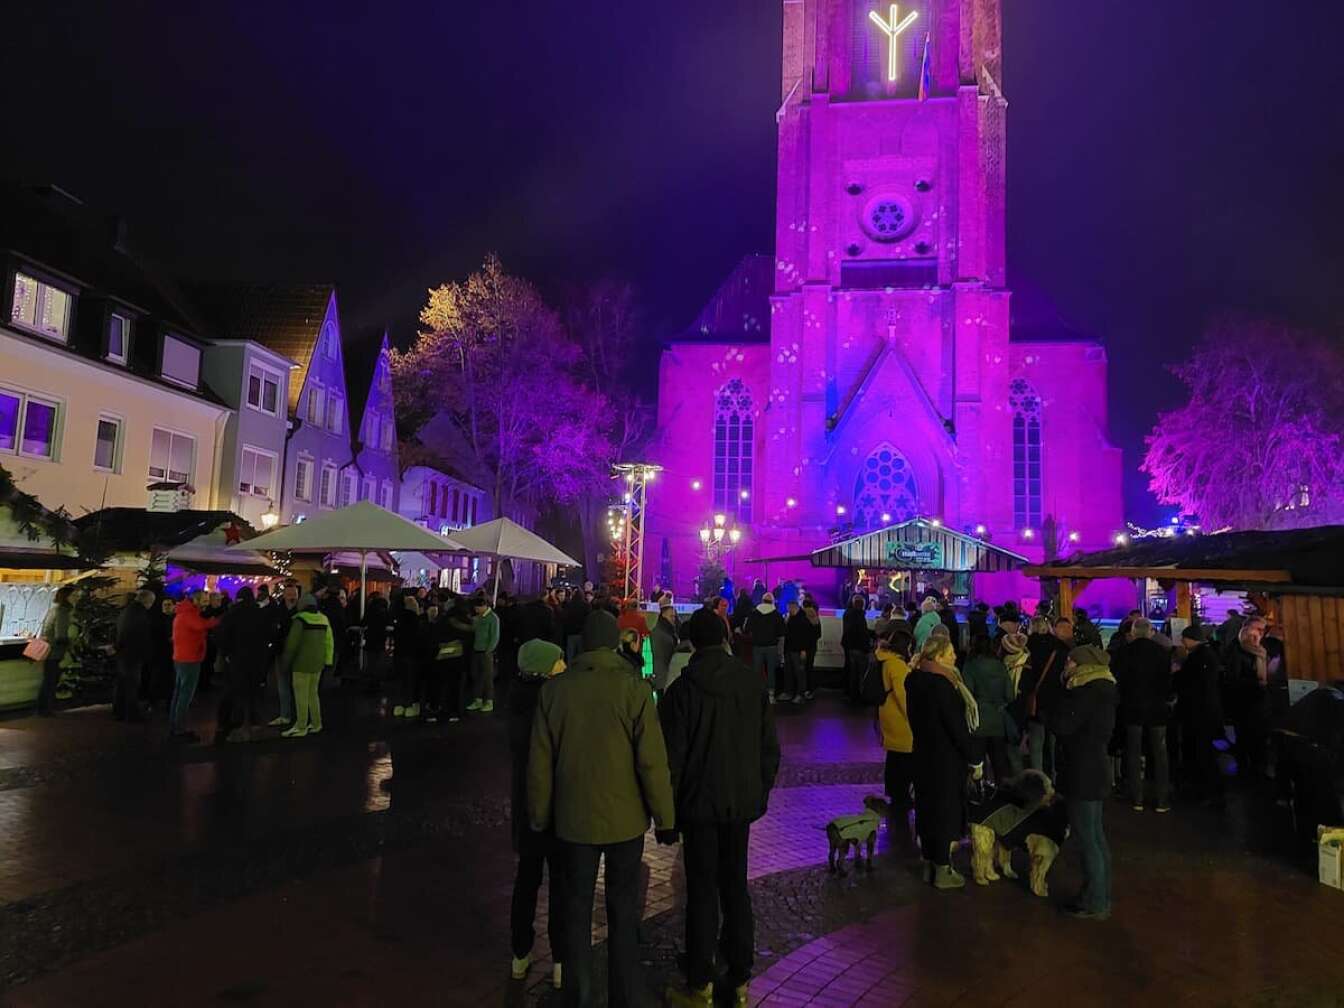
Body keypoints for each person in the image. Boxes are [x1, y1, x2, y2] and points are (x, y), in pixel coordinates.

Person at [527, 609, 676, 1008]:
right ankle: (623, 995)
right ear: (614, 641)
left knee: (575, 911)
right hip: (626, 820)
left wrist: (540, 817)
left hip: (573, 820)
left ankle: (580, 994)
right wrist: (665, 817)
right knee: (623, 912)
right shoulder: (634, 690)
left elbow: (540, 765)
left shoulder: (554, 692)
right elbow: (652, 762)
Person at [660, 608, 780, 1008]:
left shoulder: (682, 690)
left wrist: (667, 814)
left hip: (697, 806)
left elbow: (671, 758)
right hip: (739, 803)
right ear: (727, 638)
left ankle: (700, 979)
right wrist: (759, 792)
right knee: (735, 886)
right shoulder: (751, 684)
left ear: (692, 642)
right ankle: (740, 971)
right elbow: (769, 749)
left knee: (701, 890)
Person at [509, 639, 568, 991]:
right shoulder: (554, 703)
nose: (565, 665)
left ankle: (519, 952)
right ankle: (561, 958)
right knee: (561, 885)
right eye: (559, 661)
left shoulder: (516, 701)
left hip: (527, 808)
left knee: (526, 881)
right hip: (556, 808)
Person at [1048, 644, 1119, 920]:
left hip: (1082, 770)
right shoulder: (1105, 690)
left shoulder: (1084, 693)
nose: (1066, 665)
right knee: (1096, 835)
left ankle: (1095, 900)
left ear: (1081, 665)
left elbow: (1063, 725)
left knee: (1087, 837)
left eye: (1069, 662)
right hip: (1096, 766)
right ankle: (1099, 892)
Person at [905, 638, 977, 889]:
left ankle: (929, 863)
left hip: (922, 753)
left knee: (926, 808)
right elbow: (956, 727)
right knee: (946, 811)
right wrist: (974, 757)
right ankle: (943, 868)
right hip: (946, 759)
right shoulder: (943, 686)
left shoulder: (914, 680)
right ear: (938, 656)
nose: (956, 656)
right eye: (951, 652)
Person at [1114, 617, 1173, 812]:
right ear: (1150, 631)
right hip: (1157, 709)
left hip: (1132, 708)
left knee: (1133, 752)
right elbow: (1167, 682)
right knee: (1160, 753)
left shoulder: (1123, 653)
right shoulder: (1161, 653)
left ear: (1133, 632)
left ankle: (1137, 798)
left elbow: (1119, 681)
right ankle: (1162, 799)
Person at [961, 634, 1022, 783]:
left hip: (977, 721)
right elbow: (1009, 695)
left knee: (977, 764)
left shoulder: (970, 666)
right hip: (997, 720)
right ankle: (1000, 793)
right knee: (999, 763)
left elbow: (966, 694)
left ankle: (980, 794)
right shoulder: (1000, 666)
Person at [214, 586, 272, 743]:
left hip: (237, 659)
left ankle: (227, 722)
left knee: (232, 690)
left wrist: (226, 654)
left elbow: (222, 636)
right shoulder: (261, 614)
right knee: (252, 691)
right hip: (257, 660)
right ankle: (251, 720)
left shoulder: (231, 614)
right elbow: (269, 634)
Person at [1174, 625, 1224, 803]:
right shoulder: (1208, 655)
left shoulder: (1198, 657)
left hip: (1198, 713)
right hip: (1207, 711)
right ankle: (1209, 790)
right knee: (1205, 751)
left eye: (1184, 638)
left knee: (1201, 752)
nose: (1181, 641)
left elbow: (1188, 683)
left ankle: (1205, 791)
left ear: (1191, 639)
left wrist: (1176, 675)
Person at [169, 590, 221, 741]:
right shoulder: (189, 614)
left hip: (181, 657)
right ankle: (179, 729)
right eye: (204, 599)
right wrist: (217, 620)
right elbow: (200, 626)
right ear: (196, 600)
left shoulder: (184, 612)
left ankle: (175, 724)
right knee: (185, 694)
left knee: (179, 693)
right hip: (189, 659)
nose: (206, 602)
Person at [1021, 616, 1070, 776]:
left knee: (1036, 744)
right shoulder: (1059, 647)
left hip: (1037, 701)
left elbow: (1025, 679)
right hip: (1056, 701)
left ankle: (1038, 779)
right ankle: (1055, 776)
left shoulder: (1027, 647)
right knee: (1054, 742)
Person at [279, 594, 333, 738]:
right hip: (318, 663)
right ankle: (316, 723)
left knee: (301, 696)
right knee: (313, 694)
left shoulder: (299, 620)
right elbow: (329, 641)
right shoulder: (324, 619)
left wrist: (286, 662)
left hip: (301, 663)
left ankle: (301, 726)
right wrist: (328, 661)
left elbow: (292, 645)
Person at [1224, 615, 1270, 777]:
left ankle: (1258, 768)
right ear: (1247, 629)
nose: (1260, 633)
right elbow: (1232, 678)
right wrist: (1257, 683)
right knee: (1245, 736)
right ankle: (1245, 769)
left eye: (1263, 630)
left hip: (1259, 702)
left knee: (1259, 737)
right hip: (1243, 702)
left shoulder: (1260, 650)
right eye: (1258, 629)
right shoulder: (1237, 649)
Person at [875, 629, 916, 812]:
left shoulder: (884, 660)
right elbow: (903, 695)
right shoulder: (897, 666)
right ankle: (901, 797)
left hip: (887, 713)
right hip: (900, 719)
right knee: (904, 760)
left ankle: (894, 793)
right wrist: (914, 717)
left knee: (893, 759)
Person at [113, 589, 155, 722]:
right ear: (148, 601)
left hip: (123, 654)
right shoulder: (140, 614)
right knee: (132, 685)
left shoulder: (127, 611)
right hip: (133, 655)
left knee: (122, 684)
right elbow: (141, 637)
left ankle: (119, 712)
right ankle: (131, 714)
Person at [35, 585, 76, 717]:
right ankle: (46, 709)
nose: (77, 598)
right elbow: (60, 636)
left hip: (48, 650)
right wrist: (71, 644)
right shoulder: (62, 612)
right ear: (68, 597)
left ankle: (42, 708)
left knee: (48, 680)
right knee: (51, 681)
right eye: (75, 595)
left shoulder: (53, 609)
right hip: (55, 652)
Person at [267, 585, 301, 728]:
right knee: (283, 684)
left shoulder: (299, 611)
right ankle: (286, 714)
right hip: (281, 651)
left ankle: (294, 714)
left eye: (294, 593)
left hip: (296, 653)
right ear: (284, 595)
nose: (292, 596)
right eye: (290, 593)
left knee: (295, 685)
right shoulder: (278, 610)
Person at [744, 592, 787, 702]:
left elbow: (747, 629)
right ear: (772, 601)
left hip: (757, 646)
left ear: (762, 600)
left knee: (756, 671)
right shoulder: (777, 615)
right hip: (772, 647)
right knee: (771, 671)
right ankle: (771, 695)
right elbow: (781, 633)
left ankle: (756, 694)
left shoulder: (754, 613)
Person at [466, 596, 501, 714]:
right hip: (477, 650)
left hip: (486, 652)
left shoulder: (493, 618)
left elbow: (495, 636)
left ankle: (489, 701)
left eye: (477, 608)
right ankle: (478, 700)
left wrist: (489, 650)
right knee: (477, 676)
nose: (476, 610)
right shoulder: (479, 618)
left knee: (487, 677)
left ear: (484, 606)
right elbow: (474, 629)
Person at [391, 595, 423, 718]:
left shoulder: (399, 620)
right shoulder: (416, 621)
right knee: (411, 681)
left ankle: (400, 705)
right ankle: (411, 705)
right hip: (412, 654)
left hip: (399, 653)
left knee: (401, 680)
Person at [781, 599, 814, 704]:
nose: (788, 610)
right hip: (790, 649)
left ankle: (800, 694)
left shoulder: (803, 620)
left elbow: (806, 637)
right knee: (788, 672)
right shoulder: (791, 618)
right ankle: (788, 692)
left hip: (798, 650)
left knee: (799, 673)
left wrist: (803, 650)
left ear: (793, 607)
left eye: (789, 608)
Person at [841, 595, 872, 703]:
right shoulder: (859, 616)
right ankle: (858, 695)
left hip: (849, 645)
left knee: (851, 671)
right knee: (859, 673)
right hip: (858, 647)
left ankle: (850, 694)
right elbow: (861, 633)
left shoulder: (848, 614)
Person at [650, 605, 679, 694]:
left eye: (674, 616)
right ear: (663, 616)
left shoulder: (664, 630)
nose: (673, 619)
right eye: (671, 616)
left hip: (661, 674)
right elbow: (665, 655)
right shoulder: (662, 633)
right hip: (663, 675)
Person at [562, 588, 591, 662]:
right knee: (580, 654)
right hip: (581, 633)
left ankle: (570, 669)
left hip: (570, 633)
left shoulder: (569, 605)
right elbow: (588, 619)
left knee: (570, 654)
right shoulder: (586, 605)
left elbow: (565, 618)